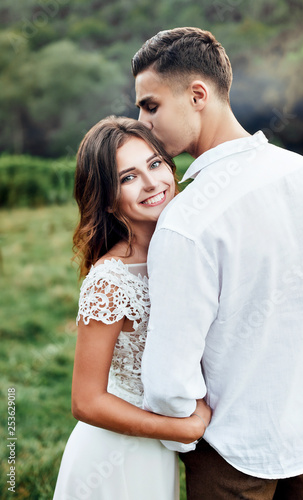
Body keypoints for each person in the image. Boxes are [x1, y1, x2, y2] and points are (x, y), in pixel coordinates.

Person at [131, 27, 303, 499]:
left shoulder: (186, 219)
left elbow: (168, 379)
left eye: (150, 105)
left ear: (197, 94)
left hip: (230, 453)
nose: (141, 122)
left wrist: (187, 423)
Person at [52, 116, 211, 500]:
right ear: (107, 198)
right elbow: (85, 400)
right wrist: (181, 429)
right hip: (115, 457)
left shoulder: (185, 251)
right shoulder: (110, 280)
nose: (152, 182)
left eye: (155, 164)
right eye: (129, 177)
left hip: (155, 453)